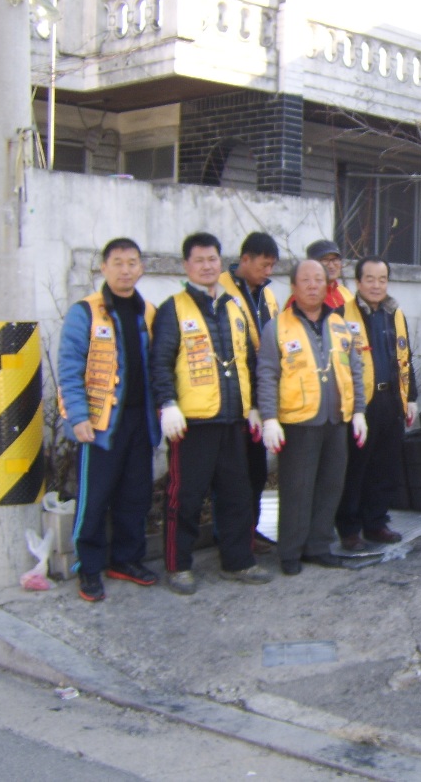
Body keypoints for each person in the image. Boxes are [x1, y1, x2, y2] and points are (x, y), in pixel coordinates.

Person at [150, 232, 271, 595]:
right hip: (193, 423)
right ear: (187, 265)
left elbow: (248, 361)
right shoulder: (174, 308)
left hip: (233, 421)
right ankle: (179, 565)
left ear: (222, 263)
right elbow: (160, 363)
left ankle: (238, 560)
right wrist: (168, 404)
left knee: (237, 494)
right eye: (199, 260)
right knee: (184, 497)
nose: (207, 266)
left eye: (213, 259)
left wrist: (252, 408)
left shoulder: (234, 307)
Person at [57, 238, 161, 602]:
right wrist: (77, 417)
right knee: (94, 497)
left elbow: (159, 366)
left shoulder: (148, 311)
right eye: (117, 262)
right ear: (104, 268)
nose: (125, 269)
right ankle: (88, 566)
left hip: (140, 422)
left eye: (132, 262)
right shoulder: (85, 312)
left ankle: (126, 560)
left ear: (141, 268)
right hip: (101, 425)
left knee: (136, 495)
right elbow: (69, 370)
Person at [257, 260, 368, 575]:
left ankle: (318, 546)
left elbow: (354, 371)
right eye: (305, 280)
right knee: (297, 488)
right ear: (293, 286)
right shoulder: (276, 327)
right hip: (298, 421)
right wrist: (269, 418)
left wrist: (358, 411)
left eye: (318, 279)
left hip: (336, 421)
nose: (312, 285)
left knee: (331, 485)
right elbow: (267, 375)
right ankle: (290, 552)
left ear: (326, 285)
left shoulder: (340, 325)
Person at [336, 256, 417, 551]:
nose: (376, 285)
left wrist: (412, 399)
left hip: (391, 400)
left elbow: (406, 356)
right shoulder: (341, 315)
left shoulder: (394, 313)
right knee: (356, 468)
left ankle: (376, 523)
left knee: (385, 467)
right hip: (360, 404)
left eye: (382, 279)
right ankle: (349, 528)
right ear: (358, 282)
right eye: (369, 279)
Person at [218, 232, 280, 552]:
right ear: (245, 260)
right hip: (230, 399)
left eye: (272, 266)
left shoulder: (268, 296)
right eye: (264, 265)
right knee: (232, 475)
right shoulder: (220, 292)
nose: (268, 272)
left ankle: (251, 530)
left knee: (256, 471)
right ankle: (230, 536)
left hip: (260, 398)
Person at [303, 239, 356, 312]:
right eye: (325, 260)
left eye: (335, 259)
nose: (331, 266)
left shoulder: (345, 293)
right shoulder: (304, 296)